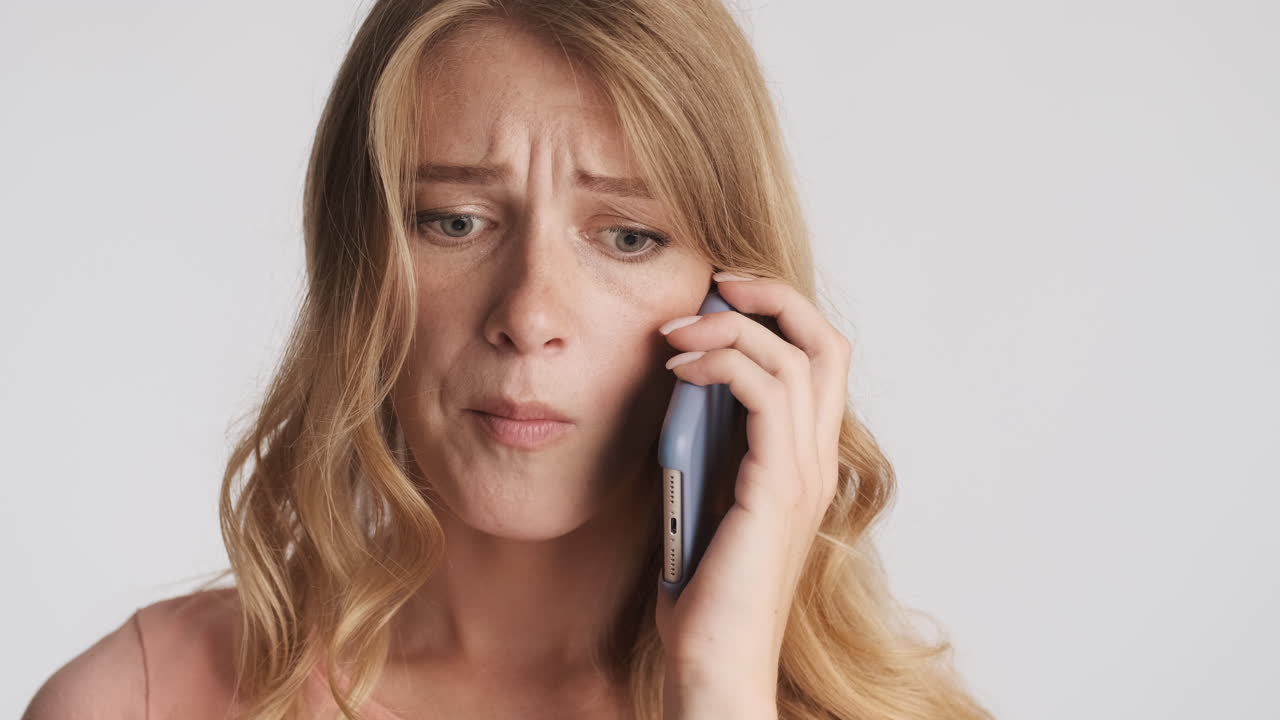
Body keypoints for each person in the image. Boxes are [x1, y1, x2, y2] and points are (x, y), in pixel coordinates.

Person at [23, 1, 995, 719]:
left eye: (625, 237)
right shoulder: (136, 701)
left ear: (736, 300)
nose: (528, 316)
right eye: (453, 220)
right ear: (357, 269)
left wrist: (720, 690)